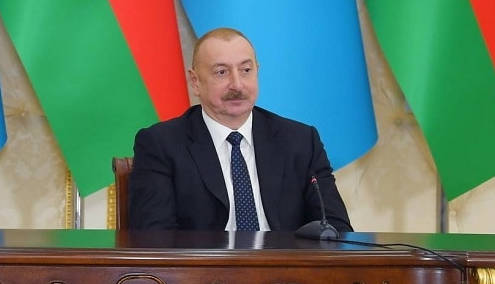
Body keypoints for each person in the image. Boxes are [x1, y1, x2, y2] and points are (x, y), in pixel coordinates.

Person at [128, 26, 351, 232]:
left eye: (246, 70)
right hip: (204, 272)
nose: (237, 84)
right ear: (195, 82)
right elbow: (154, 238)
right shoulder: (161, 145)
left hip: (286, 272)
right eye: (221, 72)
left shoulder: (301, 141)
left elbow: (335, 229)